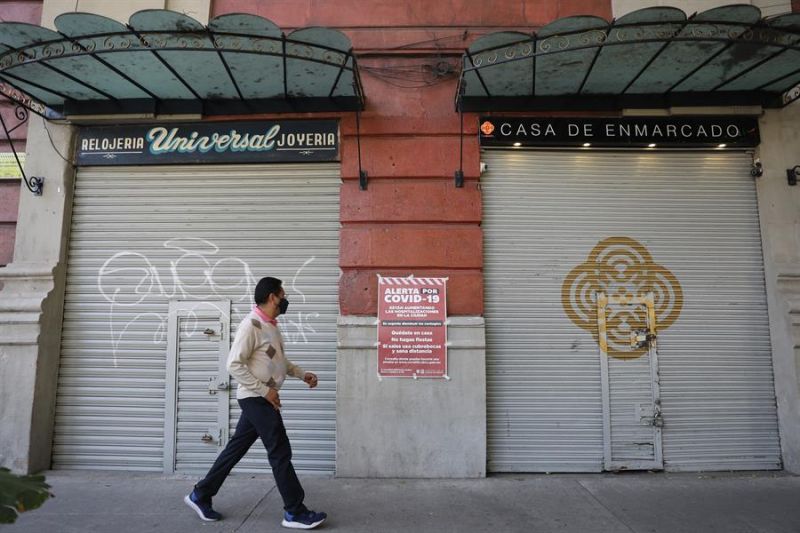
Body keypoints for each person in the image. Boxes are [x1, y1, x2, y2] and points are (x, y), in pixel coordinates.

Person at [184, 276, 327, 530]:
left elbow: (278, 361)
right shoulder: (251, 325)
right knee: (280, 451)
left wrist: (302, 374)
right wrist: (264, 391)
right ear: (273, 296)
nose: (284, 300)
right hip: (256, 399)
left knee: (235, 449)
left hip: (261, 398)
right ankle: (294, 511)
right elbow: (233, 365)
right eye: (282, 295)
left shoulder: (270, 325)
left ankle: (200, 494)